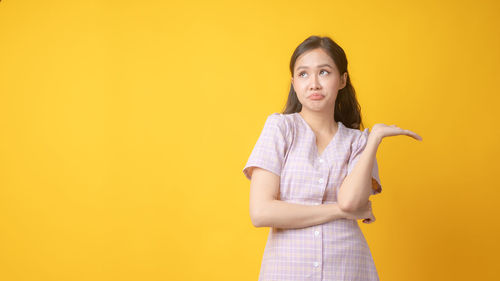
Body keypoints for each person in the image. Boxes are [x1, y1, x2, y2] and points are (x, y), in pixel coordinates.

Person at [242, 35, 422, 281]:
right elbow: (261, 212)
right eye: (303, 74)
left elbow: (350, 203)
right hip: (287, 270)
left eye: (324, 72)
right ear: (293, 83)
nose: (313, 83)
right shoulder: (280, 128)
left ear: (342, 80)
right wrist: (338, 211)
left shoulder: (358, 141)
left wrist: (374, 140)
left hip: (347, 267)